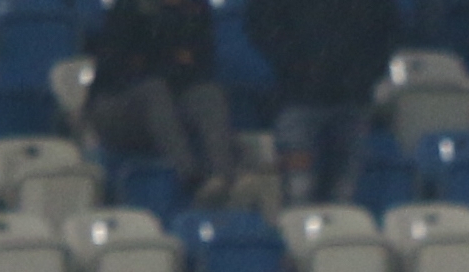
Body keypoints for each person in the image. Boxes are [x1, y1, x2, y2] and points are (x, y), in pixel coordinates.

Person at [244, 0, 396, 206]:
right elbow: (261, 25)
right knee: (298, 188)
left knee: (345, 193)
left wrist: (362, 78)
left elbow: (387, 32)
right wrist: (297, 69)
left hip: (352, 103)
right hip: (297, 103)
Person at [86, 0, 235, 207]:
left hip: (173, 98)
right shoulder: (129, 9)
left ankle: (223, 180)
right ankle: (190, 179)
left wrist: (165, 66)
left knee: (208, 95)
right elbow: (117, 71)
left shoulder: (195, 11)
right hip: (116, 106)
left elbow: (201, 67)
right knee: (153, 91)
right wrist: (170, 64)